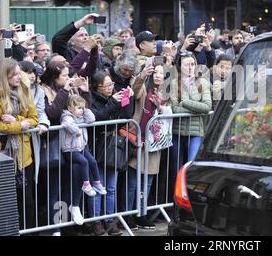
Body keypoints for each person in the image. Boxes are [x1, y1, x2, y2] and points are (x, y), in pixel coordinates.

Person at [39, 61, 91, 235]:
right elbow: (52, 113)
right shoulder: (44, 90)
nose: (68, 78)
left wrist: (84, 91)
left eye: (69, 75)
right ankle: (56, 228)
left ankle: (66, 226)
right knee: (55, 190)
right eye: (65, 75)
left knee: (71, 186)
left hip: (72, 147)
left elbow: (86, 112)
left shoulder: (69, 89)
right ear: (55, 76)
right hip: (55, 146)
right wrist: (64, 91)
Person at [0, 58, 39, 230]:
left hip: (22, 156)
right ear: (4, 75)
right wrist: (19, 126)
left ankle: (29, 232)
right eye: (14, 74)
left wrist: (16, 120)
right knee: (2, 204)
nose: (19, 77)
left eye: (19, 73)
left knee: (27, 201)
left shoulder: (24, 89)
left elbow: (34, 119)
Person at [87, 71, 134, 236]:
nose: (110, 88)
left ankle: (110, 219)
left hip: (113, 146)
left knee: (111, 187)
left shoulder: (114, 97)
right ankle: (96, 221)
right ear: (96, 87)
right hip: (98, 146)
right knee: (98, 187)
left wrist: (128, 98)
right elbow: (100, 117)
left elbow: (127, 116)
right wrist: (113, 102)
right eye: (106, 85)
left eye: (111, 85)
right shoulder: (91, 100)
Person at [121, 62, 167, 230]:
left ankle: (142, 213)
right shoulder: (143, 89)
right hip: (137, 139)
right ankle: (128, 214)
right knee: (133, 181)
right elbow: (134, 89)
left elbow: (168, 114)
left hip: (154, 142)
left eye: (161, 73)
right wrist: (142, 76)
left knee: (147, 182)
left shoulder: (164, 93)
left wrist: (159, 106)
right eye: (155, 72)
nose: (157, 75)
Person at [60, 94, 107, 226]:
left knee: (92, 161)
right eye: (79, 108)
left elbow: (92, 119)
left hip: (81, 148)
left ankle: (97, 183)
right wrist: (76, 130)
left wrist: (85, 109)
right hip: (70, 150)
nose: (81, 110)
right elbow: (67, 123)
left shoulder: (82, 115)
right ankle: (86, 185)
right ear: (70, 108)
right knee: (84, 163)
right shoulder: (66, 115)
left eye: (83, 108)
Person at [170, 52, 212, 197]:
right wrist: (196, 107)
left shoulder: (203, 82)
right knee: (176, 169)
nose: (190, 67)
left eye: (193, 64)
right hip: (177, 132)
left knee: (191, 167)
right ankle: (177, 202)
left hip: (195, 132)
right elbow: (174, 108)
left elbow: (207, 107)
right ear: (180, 67)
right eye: (187, 64)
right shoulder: (174, 83)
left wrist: (186, 103)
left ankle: (191, 199)